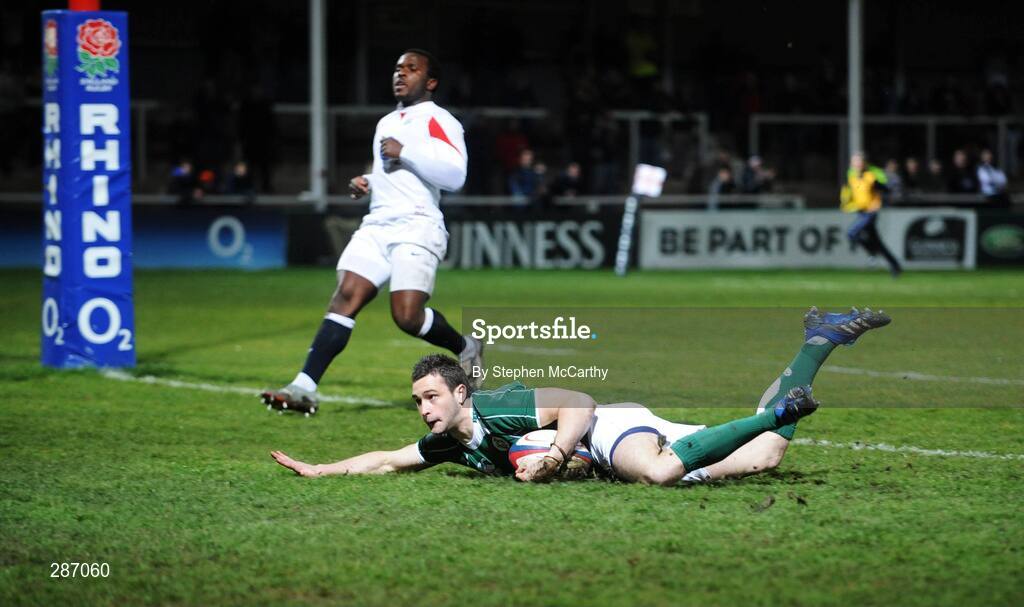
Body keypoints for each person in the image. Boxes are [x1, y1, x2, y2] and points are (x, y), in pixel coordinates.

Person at [271, 307, 891, 484]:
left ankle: (784, 409)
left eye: (432, 397)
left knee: (655, 474)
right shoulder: (446, 444)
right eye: (418, 402)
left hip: (606, 427)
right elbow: (384, 458)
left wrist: (559, 453)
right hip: (604, 440)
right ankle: (819, 342)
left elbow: (578, 401)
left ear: (462, 393)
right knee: (763, 456)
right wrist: (319, 468)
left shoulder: (497, 406)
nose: (425, 410)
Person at [261, 49, 482, 414]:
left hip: (417, 223)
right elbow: (392, 171)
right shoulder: (385, 122)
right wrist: (369, 181)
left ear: (431, 82)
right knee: (346, 295)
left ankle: (465, 346)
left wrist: (405, 150)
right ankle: (303, 387)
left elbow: (456, 176)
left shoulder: (440, 120)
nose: (401, 74)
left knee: (407, 316)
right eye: (397, 68)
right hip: (378, 223)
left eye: (412, 69)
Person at [841, 151, 902, 277]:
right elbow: (849, 192)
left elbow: (885, 189)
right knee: (878, 243)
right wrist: (847, 202)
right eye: (854, 162)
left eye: (858, 161)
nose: (856, 164)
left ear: (864, 163)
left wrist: (885, 195)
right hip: (861, 212)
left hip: (870, 213)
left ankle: (871, 252)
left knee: (851, 233)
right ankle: (895, 265)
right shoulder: (852, 176)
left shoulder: (870, 176)